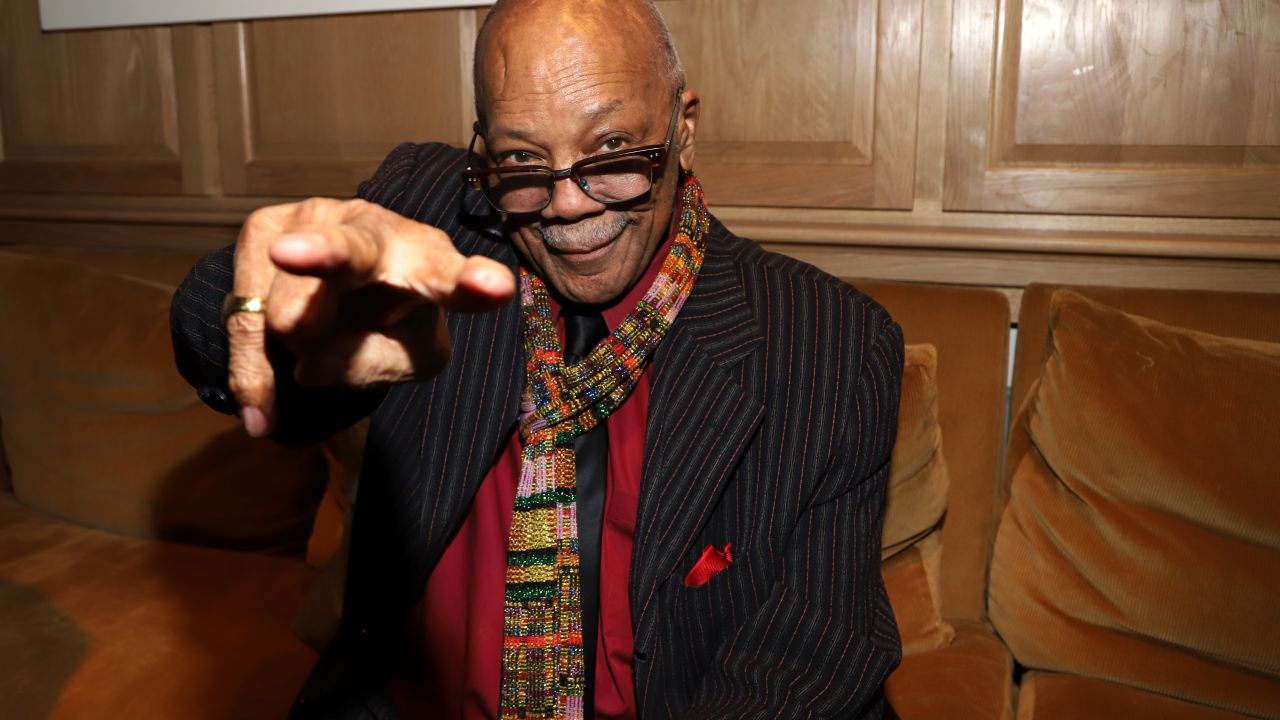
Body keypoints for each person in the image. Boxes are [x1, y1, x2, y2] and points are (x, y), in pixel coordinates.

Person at [170, 0, 904, 717]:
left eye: (613, 151)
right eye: (523, 160)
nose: (566, 205)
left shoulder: (831, 341)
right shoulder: (430, 217)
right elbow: (227, 341)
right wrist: (269, 312)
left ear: (684, 130)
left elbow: (808, 660)